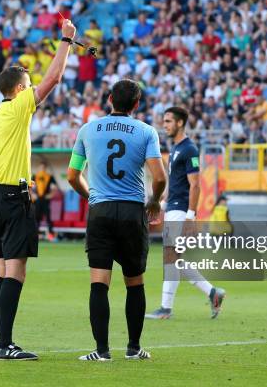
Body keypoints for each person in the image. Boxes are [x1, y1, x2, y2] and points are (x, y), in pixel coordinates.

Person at [0, 19, 77, 361]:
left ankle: (2, 342)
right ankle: (4, 345)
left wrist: (0, 175)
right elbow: (54, 79)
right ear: (19, 90)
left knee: (2, 272)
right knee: (16, 271)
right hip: (14, 199)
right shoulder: (18, 108)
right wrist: (66, 40)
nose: (33, 93)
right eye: (28, 87)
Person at [67, 79, 167, 361]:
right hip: (133, 212)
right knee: (135, 282)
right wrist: (155, 200)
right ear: (137, 104)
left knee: (99, 283)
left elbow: (72, 176)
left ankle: (101, 351)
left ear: (109, 98)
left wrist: (92, 197)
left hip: (101, 211)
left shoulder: (87, 130)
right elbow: (159, 177)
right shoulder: (147, 132)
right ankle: (134, 349)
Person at [146, 107, 226, 321]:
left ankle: (165, 308)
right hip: (173, 209)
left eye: (169, 121)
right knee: (176, 260)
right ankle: (212, 293)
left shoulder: (189, 149)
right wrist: (161, 206)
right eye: (164, 121)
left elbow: (195, 185)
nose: (165, 125)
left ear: (180, 123)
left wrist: (190, 215)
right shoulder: (176, 149)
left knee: (171, 258)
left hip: (181, 212)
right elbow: (175, 183)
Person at [32, 161, 58, 241]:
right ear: (38, 168)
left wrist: (50, 195)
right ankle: (36, 235)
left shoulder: (50, 177)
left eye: (43, 168)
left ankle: (51, 235)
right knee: (36, 218)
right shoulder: (34, 176)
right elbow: (29, 187)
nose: (42, 169)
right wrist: (32, 195)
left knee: (48, 218)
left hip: (45, 200)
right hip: (37, 200)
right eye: (41, 167)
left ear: (45, 168)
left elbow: (54, 188)